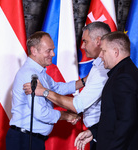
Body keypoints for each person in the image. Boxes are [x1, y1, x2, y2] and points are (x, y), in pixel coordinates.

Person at [23, 21, 111, 150]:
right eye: (49, 50)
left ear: (98, 41)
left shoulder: (102, 68)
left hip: (102, 135)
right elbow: (57, 89)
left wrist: (45, 92)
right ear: (34, 51)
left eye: (85, 41)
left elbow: (77, 105)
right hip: (97, 132)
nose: (82, 46)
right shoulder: (97, 66)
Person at [6, 31, 82, 150]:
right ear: (34, 51)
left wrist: (84, 81)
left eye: (53, 49)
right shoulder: (30, 75)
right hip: (25, 141)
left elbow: (58, 88)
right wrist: (65, 116)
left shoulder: (39, 73)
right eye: (48, 50)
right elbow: (41, 113)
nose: (53, 53)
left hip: (31, 140)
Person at [75, 31, 138, 150]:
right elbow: (113, 117)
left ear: (115, 52)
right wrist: (94, 132)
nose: (100, 55)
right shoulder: (122, 73)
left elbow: (127, 121)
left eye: (103, 51)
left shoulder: (123, 77)